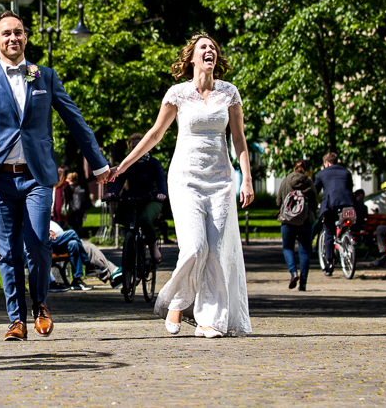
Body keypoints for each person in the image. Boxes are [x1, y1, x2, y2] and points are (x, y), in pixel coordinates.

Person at [0, 10, 111, 342]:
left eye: (19, 32)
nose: (13, 38)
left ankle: (40, 305)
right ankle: (16, 320)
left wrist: (98, 163)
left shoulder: (43, 76)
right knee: (8, 251)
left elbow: (75, 121)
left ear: (26, 38)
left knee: (39, 242)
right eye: (6, 33)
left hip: (37, 177)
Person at [111, 33, 254, 338]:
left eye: (213, 47)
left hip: (221, 181)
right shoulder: (177, 93)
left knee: (215, 252)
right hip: (185, 180)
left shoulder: (229, 93)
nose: (210, 51)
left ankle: (209, 320)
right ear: (192, 58)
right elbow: (155, 133)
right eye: (204, 47)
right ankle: (176, 301)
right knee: (195, 247)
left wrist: (247, 180)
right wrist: (122, 167)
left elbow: (239, 140)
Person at [106, 133, 168, 263]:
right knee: (128, 223)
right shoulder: (127, 164)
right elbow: (119, 181)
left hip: (152, 199)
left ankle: (153, 246)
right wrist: (112, 193)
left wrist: (162, 193)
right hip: (134, 198)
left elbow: (161, 180)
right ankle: (131, 253)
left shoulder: (153, 163)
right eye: (133, 147)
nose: (136, 149)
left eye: (139, 146)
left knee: (145, 219)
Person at [276, 160, 316, 291]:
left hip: (288, 220)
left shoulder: (286, 180)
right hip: (306, 220)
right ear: (306, 169)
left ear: (294, 168)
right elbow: (315, 203)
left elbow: (278, 201)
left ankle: (293, 272)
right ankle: (303, 283)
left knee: (288, 248)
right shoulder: (308, 182)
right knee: (305, 251)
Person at [314, 152, 355, 276]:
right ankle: (345, 237)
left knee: (328, 230)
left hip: (330, 204)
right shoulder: (346, 172)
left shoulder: (322, 173)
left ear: (326, 163)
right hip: (348, 204)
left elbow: (315, 190)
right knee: (346, 223)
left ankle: (330, 262)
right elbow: (349, 187)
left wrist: (314, 203)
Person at [48, 220, 92, 291]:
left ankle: (77, 280)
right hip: (46, 241)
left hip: (56, 244)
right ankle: (87, 263)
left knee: (73, 243)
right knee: (72, 232)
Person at [64, 172, 90, 237]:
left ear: (70, 179)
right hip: (79, 210)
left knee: (71, 226)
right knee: (78, 227)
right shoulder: (80, 188)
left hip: (71, 210)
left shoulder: (68, 189)